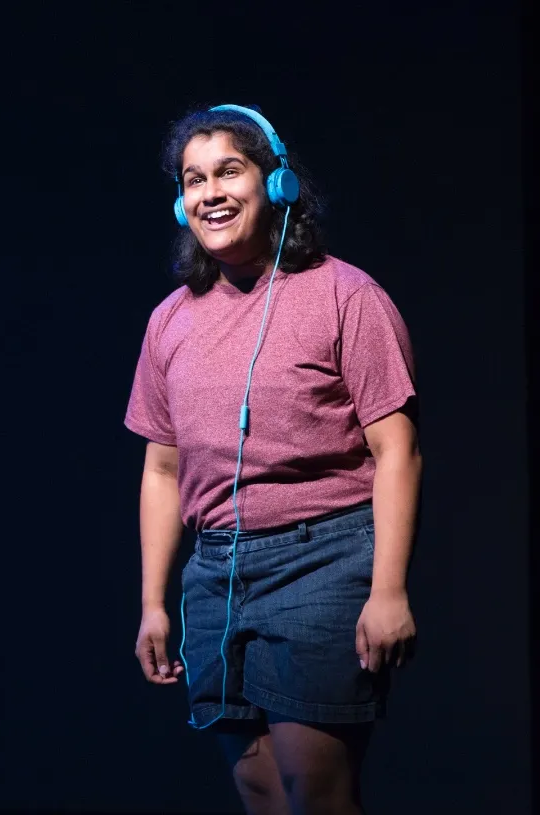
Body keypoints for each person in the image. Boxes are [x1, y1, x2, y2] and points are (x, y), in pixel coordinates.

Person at [125, 104, 422, 815]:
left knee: (314, 791)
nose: (211, 193)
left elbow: (398, 451)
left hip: (322, 560)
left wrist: (388, 591)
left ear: (277, 182)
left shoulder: (346, 296)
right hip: (215, 575)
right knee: (260, 792)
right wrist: (152, 603)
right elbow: (162, 470)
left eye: (229, 171)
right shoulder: (169, 321)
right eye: (194, 179)